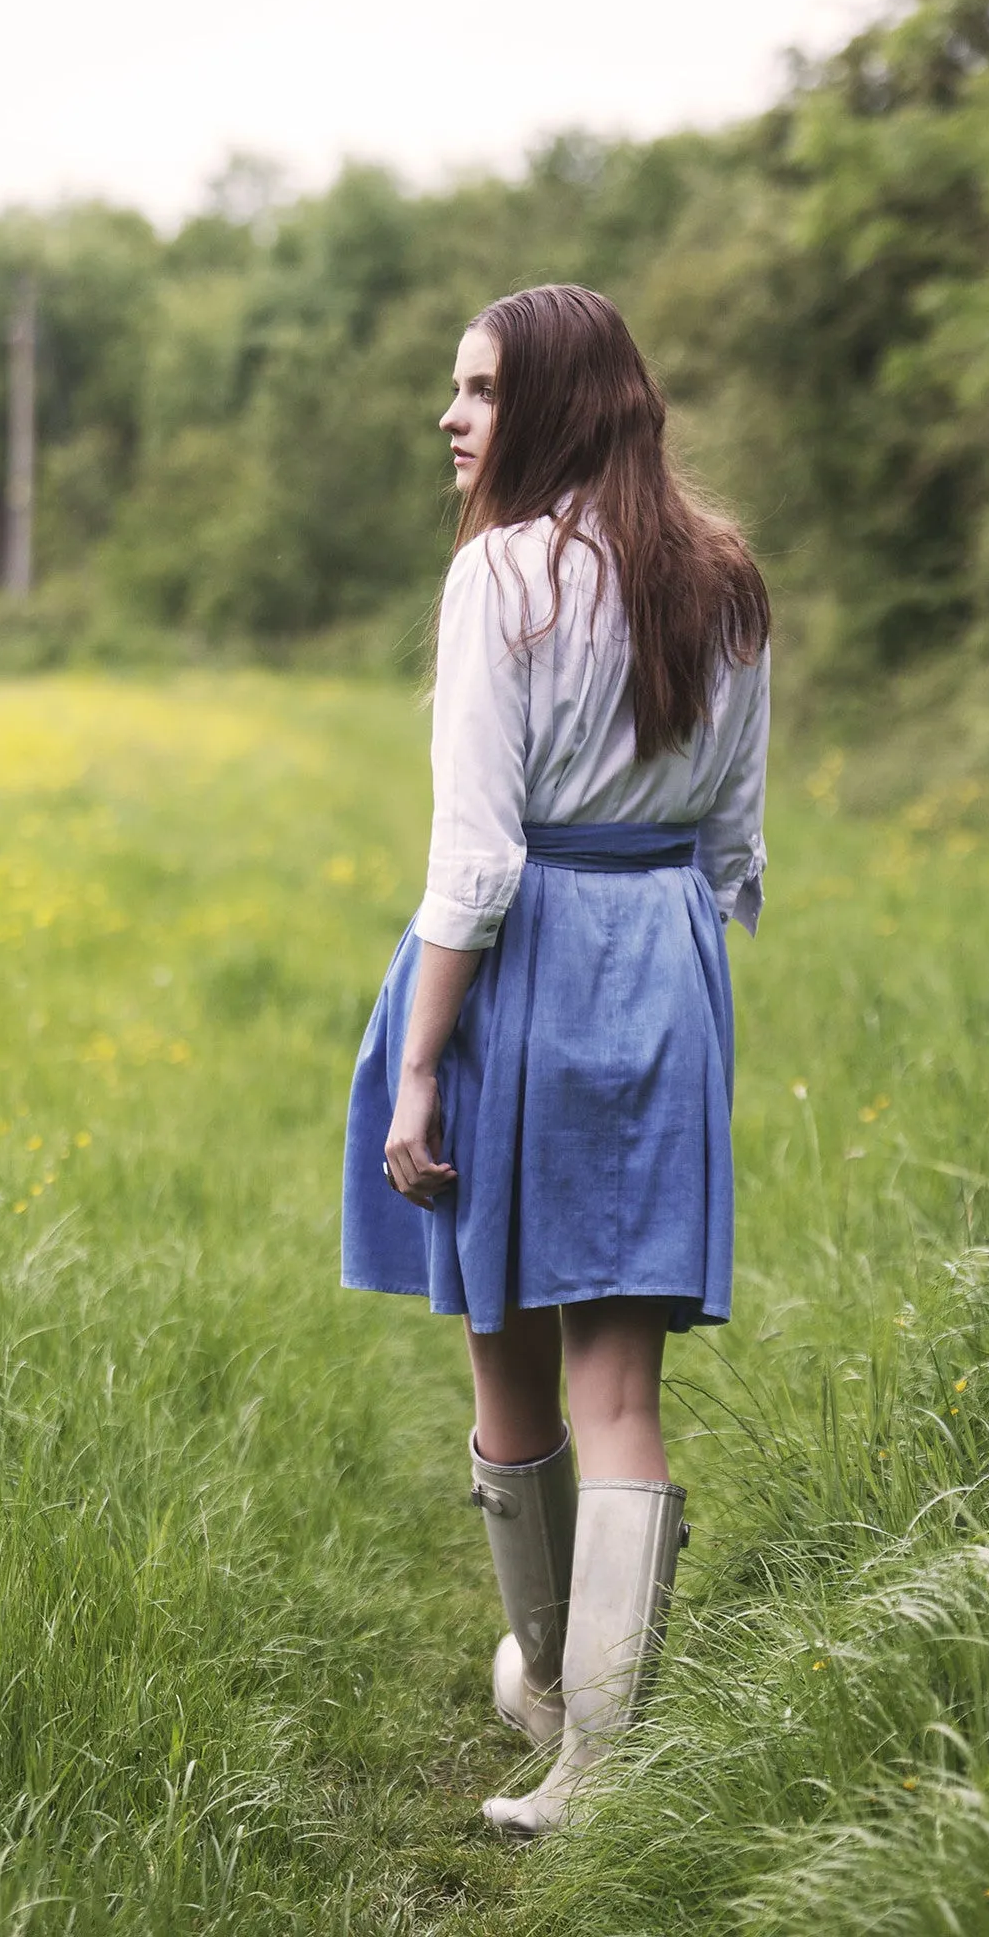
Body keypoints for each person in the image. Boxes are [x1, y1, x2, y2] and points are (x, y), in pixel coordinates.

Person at [341, 283, 769, 1838]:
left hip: (517, 972)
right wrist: (661, 973)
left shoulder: (502, 579)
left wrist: (418, 1065)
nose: (450, 418)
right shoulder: (727, 579)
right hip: (664, 964)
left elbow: (476, 858)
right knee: (619, 1379)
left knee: (505, 1340)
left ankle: (573, 1717)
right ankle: (571, 1711)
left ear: (559, 406)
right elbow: (735, 848)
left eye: (477, 390)